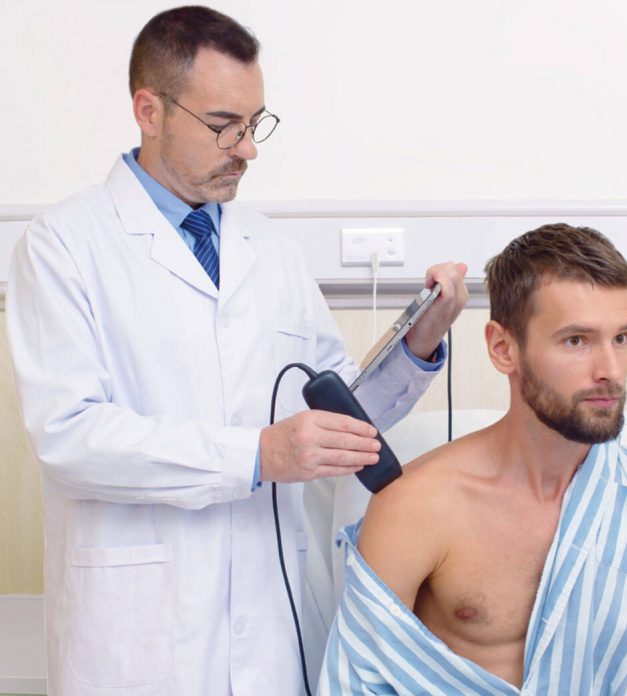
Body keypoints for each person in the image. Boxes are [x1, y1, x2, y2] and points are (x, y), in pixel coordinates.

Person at [5, 6, 467, 696]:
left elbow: (345, 418)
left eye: (254, 125)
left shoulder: (270, 250)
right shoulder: (63, 245)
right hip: (138, 639)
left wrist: (420, 340)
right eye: (224, 125)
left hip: (271, 629)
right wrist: (256, 456)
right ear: (149, 111)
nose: (247, 149)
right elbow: (70, 435)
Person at [319, 224, 627, 696]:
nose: (610, 371)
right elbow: (357, 684)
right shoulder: (417, 507)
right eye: (576, 341)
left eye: (621, 338)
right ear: (503, 349)